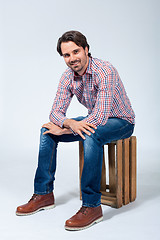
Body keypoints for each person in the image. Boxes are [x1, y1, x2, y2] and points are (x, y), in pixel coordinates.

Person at [16, 30, 135, 230]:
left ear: (86, 50)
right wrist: (68, 125)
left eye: (76, 52)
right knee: (47, 131)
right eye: (66, 55)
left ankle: (91, 206)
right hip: (92, 120)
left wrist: (67, 127)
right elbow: (55, 113)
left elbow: (100, 117)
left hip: (121, 121)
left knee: (90, 133)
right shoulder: (67, 77)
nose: (72, 58)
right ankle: (43, 193)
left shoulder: (105, 71)